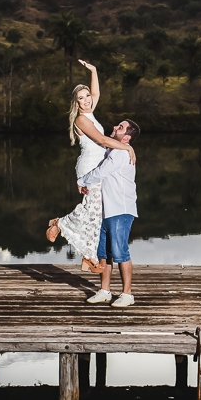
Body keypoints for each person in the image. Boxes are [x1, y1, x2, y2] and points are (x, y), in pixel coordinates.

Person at [46, 60, 135, 272]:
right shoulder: (81, 120)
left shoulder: (90, 111)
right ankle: (62, 226)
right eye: (81, 98)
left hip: (96, 165)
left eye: (87, 96)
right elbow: (103, 141)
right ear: (76, 103)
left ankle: (89, 256)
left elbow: (96, 93)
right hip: (89, 166)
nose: (87, 100)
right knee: (93, 210)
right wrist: (126, 148)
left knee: (97, 211)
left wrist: (94, 70)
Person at [78, 120, 141, 307]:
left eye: (120, 128)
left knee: (120, 251)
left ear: (127, 137)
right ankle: (105, 291)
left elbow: (101, 172)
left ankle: (127, 295)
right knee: (103, 253)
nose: (114, 128)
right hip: (105, 209)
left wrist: (82, 181)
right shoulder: (114, 150)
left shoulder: (122, 152)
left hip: (120, 209)